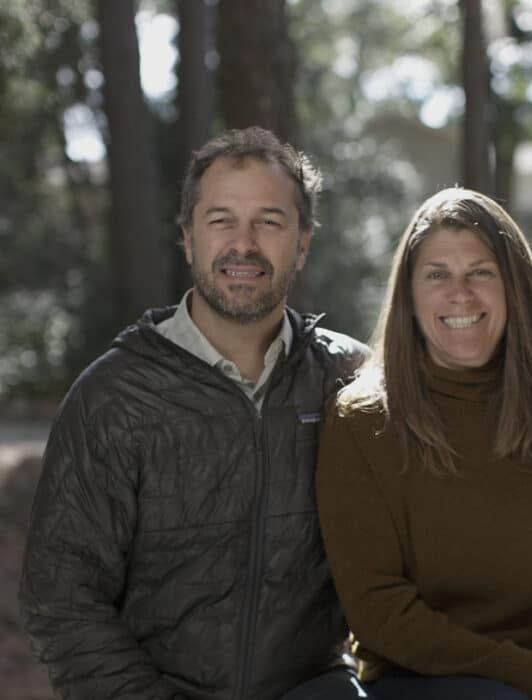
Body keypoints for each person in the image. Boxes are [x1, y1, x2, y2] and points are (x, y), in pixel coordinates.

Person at [19, 126, 369, 700]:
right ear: (188, 239)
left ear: (302, 243)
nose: (244, 243)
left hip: (312, 689)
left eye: (270, 221)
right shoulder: (114, 395)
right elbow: (61, 597)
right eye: (221, 219)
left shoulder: (347, 379)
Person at [316, 187, 532, 700]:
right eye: (437, 274)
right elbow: (379, 611)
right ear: (410, 295)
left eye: (480, 272)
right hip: (415, 681)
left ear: (515, 287)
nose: (460, 293)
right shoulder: (363, 423)